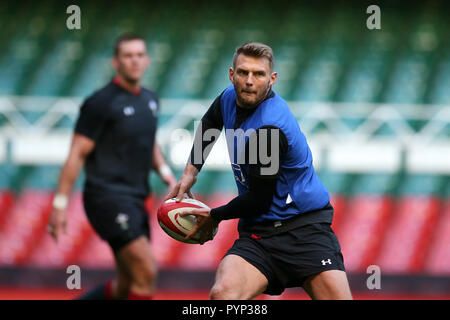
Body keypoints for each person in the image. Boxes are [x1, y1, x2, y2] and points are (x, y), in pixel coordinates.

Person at [166, 42, 353, 300]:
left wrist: (215, 216)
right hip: (260, 235)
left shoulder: (269, 130)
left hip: (304, 231)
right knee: (223, 294)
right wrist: (191, 170)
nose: (249, 81)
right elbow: (211, 122)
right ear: (232, 75)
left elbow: (259, 200)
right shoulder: (229, 98)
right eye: (243, 73)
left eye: (259, 74)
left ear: (272, 79)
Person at [47, 33, 176, 300]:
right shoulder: (100, 103)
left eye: (139, 55)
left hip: (137, 198)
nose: (134, 61)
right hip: (106, 196)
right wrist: (60, 205)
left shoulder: (150, 100)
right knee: (146, 271)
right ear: (116, 62)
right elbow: (76, 154)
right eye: (128, 56)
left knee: (127, 283)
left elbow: (148, 142)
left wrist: (166, 174)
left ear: (147, 60)